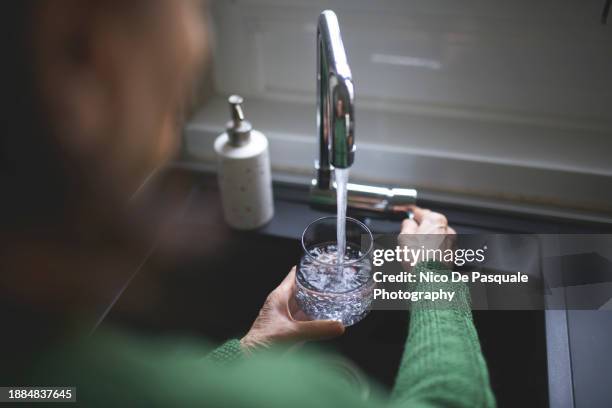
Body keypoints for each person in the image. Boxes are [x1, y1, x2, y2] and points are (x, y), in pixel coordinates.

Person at [1, 1, 495, 406]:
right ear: (79, 51)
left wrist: (252, 347)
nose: (197, 31)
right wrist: (433, 277)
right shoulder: (290, 395)